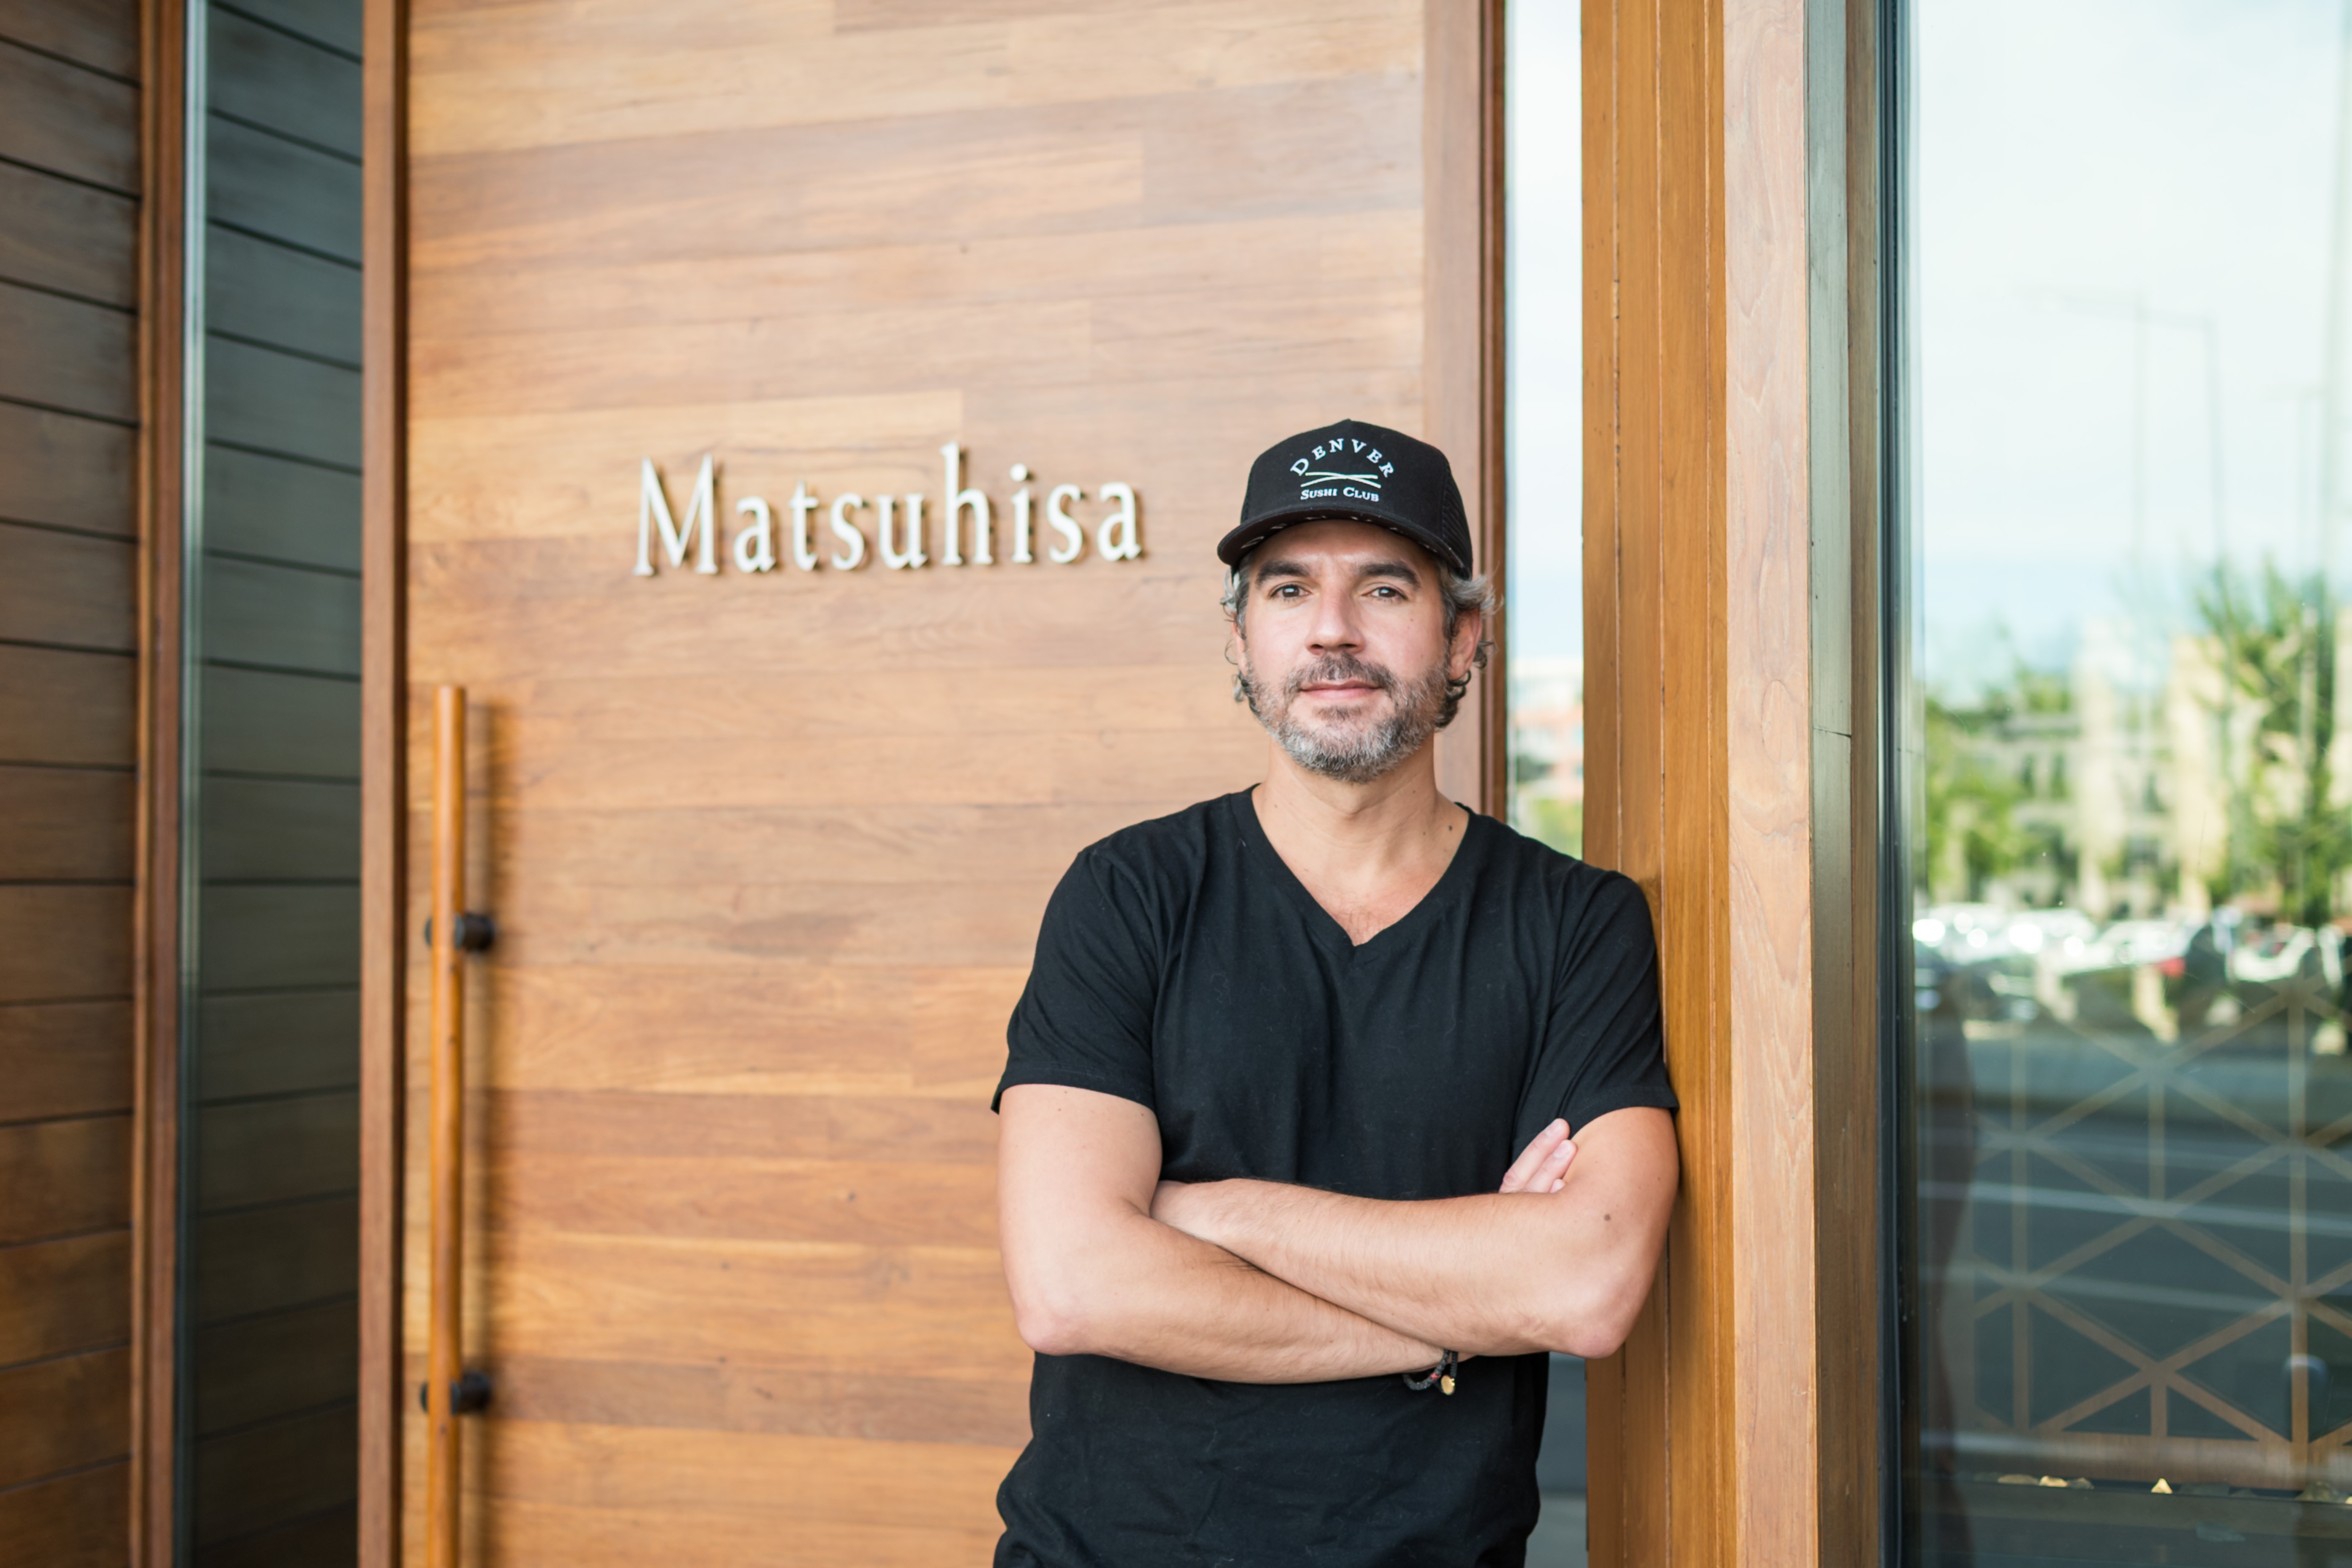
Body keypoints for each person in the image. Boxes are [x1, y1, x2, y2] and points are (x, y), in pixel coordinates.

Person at [991, 418, 1680, 1567]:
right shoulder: (1129, 897)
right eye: (1289, 588)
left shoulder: (1575, 925)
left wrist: (1215, 1212)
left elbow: (1586, 1282)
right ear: (1240, 637)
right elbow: (1073, 1286)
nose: (1332, 631)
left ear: (1463, 638)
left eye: (1386, 589)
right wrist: (1450, 1326)